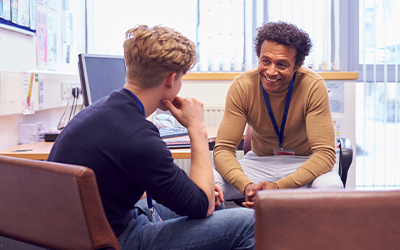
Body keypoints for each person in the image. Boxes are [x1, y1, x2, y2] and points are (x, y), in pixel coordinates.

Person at [48, 24, 254, 249]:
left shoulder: (97, 110)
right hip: (115, 240)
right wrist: (197, 127)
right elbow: (201, 206)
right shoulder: (138, 137)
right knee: (252, 222)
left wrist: (198, 193)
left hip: (81, 232)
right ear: (170, 80)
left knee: (216, 202)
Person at [213, 21, 343, 208]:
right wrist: (246, 186)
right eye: (265, 61)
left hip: (303, 163)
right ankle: (228, 234)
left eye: (282, 64)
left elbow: (325, 154)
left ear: (297, 65)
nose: (271, 71)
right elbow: (223, 149)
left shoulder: (313, 86)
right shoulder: (242, 86)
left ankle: (313, 238)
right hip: (259, 163)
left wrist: (278, 187)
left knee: (331, 188)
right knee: (208, 183)